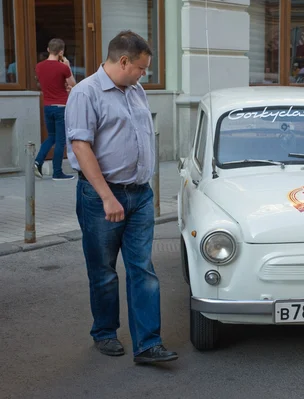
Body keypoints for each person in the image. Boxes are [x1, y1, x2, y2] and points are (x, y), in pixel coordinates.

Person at [64, 30, 178, 364]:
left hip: (140, 196)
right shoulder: (86, 93)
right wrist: (106, 197)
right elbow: (81, 146)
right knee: (103, 272)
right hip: (102, 197)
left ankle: (148, 344)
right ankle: (104, 332)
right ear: (124, 61)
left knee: (142, 268)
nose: (145, 74)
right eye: (142, 68)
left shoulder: (136, 90)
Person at [34, 38, 77, 180]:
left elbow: (47, 84)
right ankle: (57, 172)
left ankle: (37, 162)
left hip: (47, 106)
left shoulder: (39, 66)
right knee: (60, 141)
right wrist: (68, 66)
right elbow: (74, 85)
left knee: (51, 137)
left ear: (48, 50)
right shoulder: (63, 67)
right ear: (61, 52)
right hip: (61, 107)